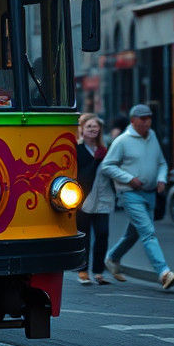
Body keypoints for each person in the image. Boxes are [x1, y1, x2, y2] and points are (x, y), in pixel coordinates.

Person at [99, 103, 174, 289]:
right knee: (148, 232)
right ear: (133, 120)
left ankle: (112, 258)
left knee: (135, 232)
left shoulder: (152, 137)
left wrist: (161, 179)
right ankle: (164, 273)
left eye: (149, 118)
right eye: (142, 118)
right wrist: (129, 179)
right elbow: (107, 166)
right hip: (130, 194)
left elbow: (161, 163)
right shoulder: (122, 141)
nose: (147, 122)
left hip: (150, 193)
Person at [75, 114, 112, 285]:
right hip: (84, 198)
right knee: (85, 235)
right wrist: (96, 161)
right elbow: (82, 175)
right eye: (89, 126)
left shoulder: (105, 150)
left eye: (95, 126)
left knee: (103, 233)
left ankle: (98, 272)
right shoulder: (78, 149)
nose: (93, 129)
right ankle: (83, 270)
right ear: (82, 129)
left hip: (103, 197)